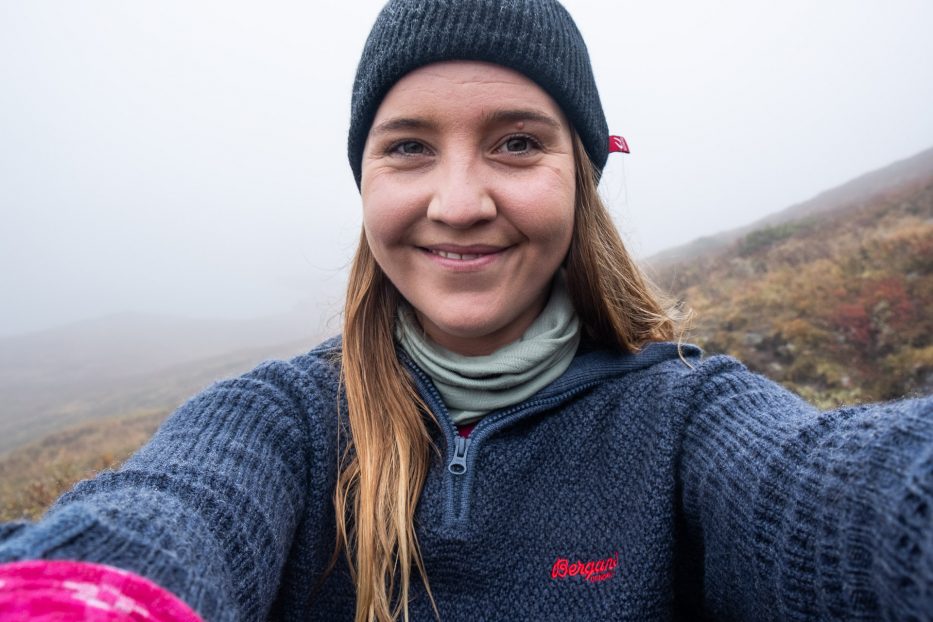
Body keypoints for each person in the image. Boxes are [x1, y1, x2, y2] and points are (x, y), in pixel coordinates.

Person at [1, 0, 931, 620]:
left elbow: (828, 497)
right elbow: (167, 519)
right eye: (408, 147)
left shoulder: (688, 416)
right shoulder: (281, 424)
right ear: (364, 182)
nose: (457, 202)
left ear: (581, 179)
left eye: (516, 143)